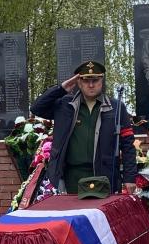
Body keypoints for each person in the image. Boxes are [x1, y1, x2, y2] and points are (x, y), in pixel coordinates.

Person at [30, 60, 137, 194]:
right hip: (70, 178)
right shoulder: (65, 105)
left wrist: (130, 177)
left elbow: (128, 145)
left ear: (101, 81)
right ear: (79, 82)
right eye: (86, 81)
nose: (91, 85)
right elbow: (36, 108)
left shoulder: (116, 107)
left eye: (95, 80)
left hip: (105, 177)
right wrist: (61, 89)